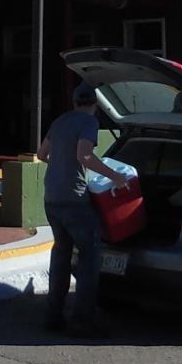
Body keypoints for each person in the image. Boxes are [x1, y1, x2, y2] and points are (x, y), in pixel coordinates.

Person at [37, 83, 128, 336]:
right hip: (74, 198)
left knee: (62, 253)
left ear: (75, 101)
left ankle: (53, 316)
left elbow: (41, 154)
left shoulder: (60, 121)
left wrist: (60, 161)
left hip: (52, 197)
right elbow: (85, 156)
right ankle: (82, 321)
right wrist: (115, 177)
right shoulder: (89, 123)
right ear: (95, 105)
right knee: (90, 257)